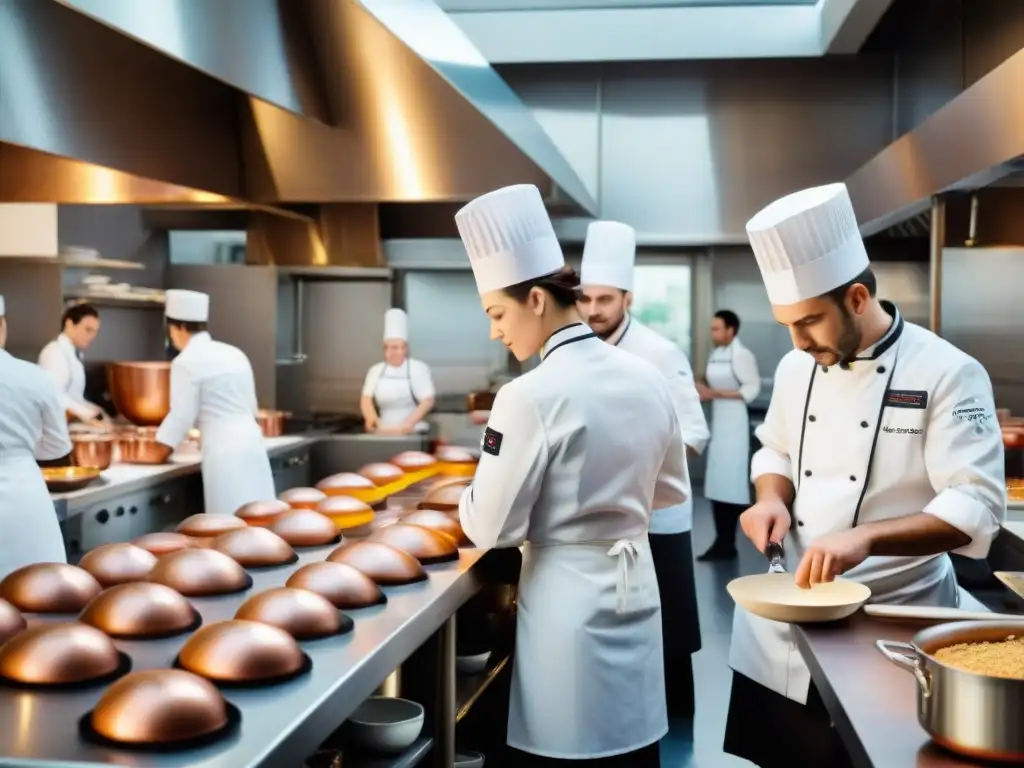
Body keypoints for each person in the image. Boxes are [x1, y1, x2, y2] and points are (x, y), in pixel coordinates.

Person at [724, 183, 1006, 768]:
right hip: (779, 620)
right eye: (788, 326)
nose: (798, 343)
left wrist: (867, 537)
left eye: (808, 322)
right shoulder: (797, 364)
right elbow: (774, 450)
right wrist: (770, 498)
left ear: (856, 297)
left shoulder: (949, 371)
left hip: (888, 622)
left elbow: (976, 505)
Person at [454, 184, 689, 768]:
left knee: (567, 749)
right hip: (636, 593)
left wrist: (467, 495)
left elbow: (491, 526)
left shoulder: (527, 395)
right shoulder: (646, 377)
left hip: (566, 610)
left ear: (536, 299)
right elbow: (670, 491)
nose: (495, 332)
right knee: (633, 750)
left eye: (497, 313)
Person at [578, 219, 709, 718]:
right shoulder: (577, 350)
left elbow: (694, 434)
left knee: (670, 630)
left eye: (604, 300)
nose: (593, 311)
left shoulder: (660, 353)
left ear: (627, 298)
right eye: (586, 299)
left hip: (659, 517)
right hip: (600, 517)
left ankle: (678, 725)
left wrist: (631, 476)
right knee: (614, 627)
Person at [155, 290, 276, 516]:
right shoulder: (234, 353)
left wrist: (159, 451)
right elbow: (252, 407)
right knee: (261, 527)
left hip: (224, 454)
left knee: (228, 528)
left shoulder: (185, 362)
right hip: (253, 446)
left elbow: (181, 416)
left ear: (178, 328)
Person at [0, 294, 74, 578]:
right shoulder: (34, 377)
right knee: (41, 594)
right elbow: (57, 446)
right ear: (2, 327)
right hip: (25, 497)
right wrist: (23, 450)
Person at [696, 309, 761, 561]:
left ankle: (730, 542)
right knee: (717, 484)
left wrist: (715, 394)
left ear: (731, 330)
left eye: (716, 329)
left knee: (732, 485)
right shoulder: (717, 354)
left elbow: (751, 388)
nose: (712, 333)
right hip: (719, 423)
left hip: (735, 425)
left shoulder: (742, 355)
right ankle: (721, 541)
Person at [360, 308, 436, 435]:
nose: (395, 352)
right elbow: (366, 399)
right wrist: (372, 419)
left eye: (399, 347)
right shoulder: (375, 370)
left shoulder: (418, 368)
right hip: (382, 429)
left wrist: (408, 423)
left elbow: (428, 401)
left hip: (412, 429)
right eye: (390, 348)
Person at [38, 302, 109, 429]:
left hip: (70, 424)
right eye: (88, 330)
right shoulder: (54, 353)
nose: (92, 336)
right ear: (69, 324)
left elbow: (75, 397)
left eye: (94, 332)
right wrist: (87, 414)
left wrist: (96, 411)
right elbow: (54, 396)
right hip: (58, 427)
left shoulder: (74, 354)